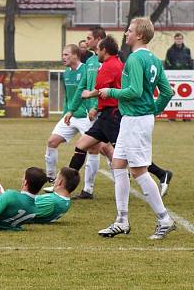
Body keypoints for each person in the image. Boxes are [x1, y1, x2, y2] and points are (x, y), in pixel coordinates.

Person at [97, 17, 176, 240]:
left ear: (139, 35)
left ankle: (164, 219)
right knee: (118, 164)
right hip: (134, 120)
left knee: (139, 171)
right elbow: (167, 92)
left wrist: (110, 92)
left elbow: (133, 91)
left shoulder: (134, 59)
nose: (126, 33)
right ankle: (121, 220)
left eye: (129, 30)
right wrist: (153, 110)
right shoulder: (153, 59)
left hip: (135, 120)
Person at [43, 44, 97, 192]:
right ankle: (52, 179)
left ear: (75, 55)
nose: (63, 57)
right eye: (63, 54)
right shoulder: (67, 73)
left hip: (86, 116)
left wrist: (93, 109)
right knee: (52, 142)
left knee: (95, 149)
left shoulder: (86, 70)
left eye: (66, 54)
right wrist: (66, 112)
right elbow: (68, 96)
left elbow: (91, 91)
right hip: (70, 115)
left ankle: (88, 189)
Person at [63, 28, 105, 198]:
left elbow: (105, 87)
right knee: (97, 148)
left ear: (98, 39)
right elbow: (85, 87)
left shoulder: (109, 61)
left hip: (107, 111)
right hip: (95, 111)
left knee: (108, 150)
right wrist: (71, 110)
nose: (86, 42)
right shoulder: (91, 61)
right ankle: (87, 189)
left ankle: (158, 172)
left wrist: (96, 106)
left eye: (89, 38)